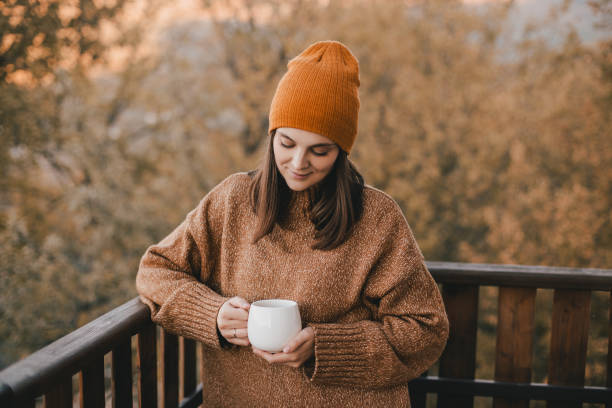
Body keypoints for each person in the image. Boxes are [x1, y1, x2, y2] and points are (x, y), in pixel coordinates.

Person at [136, 40, 448, 407]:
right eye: (287, 143)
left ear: (342, 152)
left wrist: (326, 349)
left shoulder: (377, 218)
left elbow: (426, 330)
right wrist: (212, 313)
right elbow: (156, 271)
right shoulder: (232, 200)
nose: (299, 162)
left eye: (320, 150)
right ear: (271, 137)